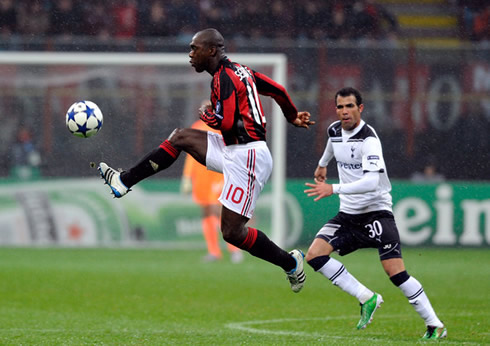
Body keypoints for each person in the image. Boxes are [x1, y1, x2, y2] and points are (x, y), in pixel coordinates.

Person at [98, 28, 314, 292]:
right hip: (232, 149)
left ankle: (290, 263)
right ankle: (123, 181)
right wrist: (291, 115)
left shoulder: (223, 77)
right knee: (180, 137)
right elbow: (278, 90)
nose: (190, 54)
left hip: (248, 156)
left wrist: (205, 113)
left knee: (232, 233)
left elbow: (225, 124)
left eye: (194, 48)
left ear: (211, 50)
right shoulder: (242, 70)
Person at [303, 87, 446, 340]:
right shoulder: (334, 130)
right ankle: (366, 297)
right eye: (340, 107)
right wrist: (322, 164)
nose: (344, 111)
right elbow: (332, 146)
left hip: (375, 213)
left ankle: (435, 325)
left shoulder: (369, 140)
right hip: (348, 215)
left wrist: (333, 188)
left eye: (349, 106)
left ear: (361, 108)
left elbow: (371, 182)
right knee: (314, 255)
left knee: (396, 273)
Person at [181, 116, 243, 263]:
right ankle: (214, 251)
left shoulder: (224, 126)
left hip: (218, 173)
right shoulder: (196, 126)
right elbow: (191, 153)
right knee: (206, 211)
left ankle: (234, 249)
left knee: (220, 209)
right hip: (200, 175)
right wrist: (187, 177)